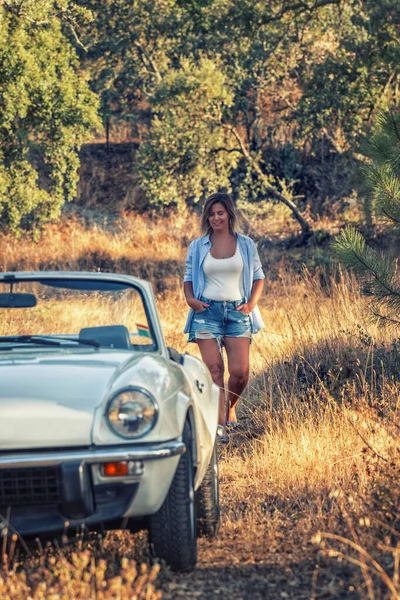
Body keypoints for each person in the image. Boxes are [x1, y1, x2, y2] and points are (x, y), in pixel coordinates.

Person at [183, 192, 265, 441]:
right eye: (211, 214)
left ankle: (229, 407)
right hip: (206, 312)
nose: (215, 218)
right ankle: (220, 429)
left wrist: (251, 303)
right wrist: (190, 299)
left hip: (238, 311)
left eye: (220, 213)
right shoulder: (198, 246)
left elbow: (258, 276)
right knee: (215, 369)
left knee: (240, 372)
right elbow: (188, 277)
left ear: (229, 214)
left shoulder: (246, 244)